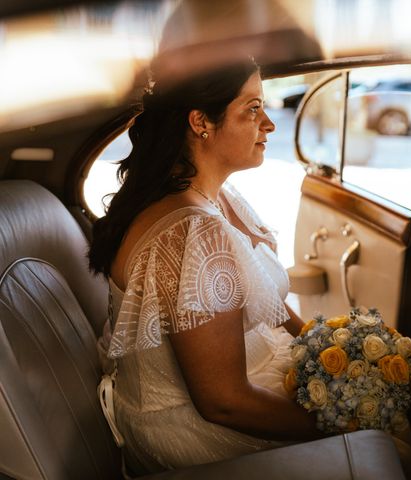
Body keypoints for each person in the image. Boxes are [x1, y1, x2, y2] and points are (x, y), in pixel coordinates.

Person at [88, 61, 321, 473]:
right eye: (252, 109)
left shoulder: (213, 197)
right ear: (201, 123)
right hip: (191, 429)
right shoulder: (194, 232)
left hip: (248, 376)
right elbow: (223, 403)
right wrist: (334, 425)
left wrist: (324, 345)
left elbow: (265, 295)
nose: (269, 124)